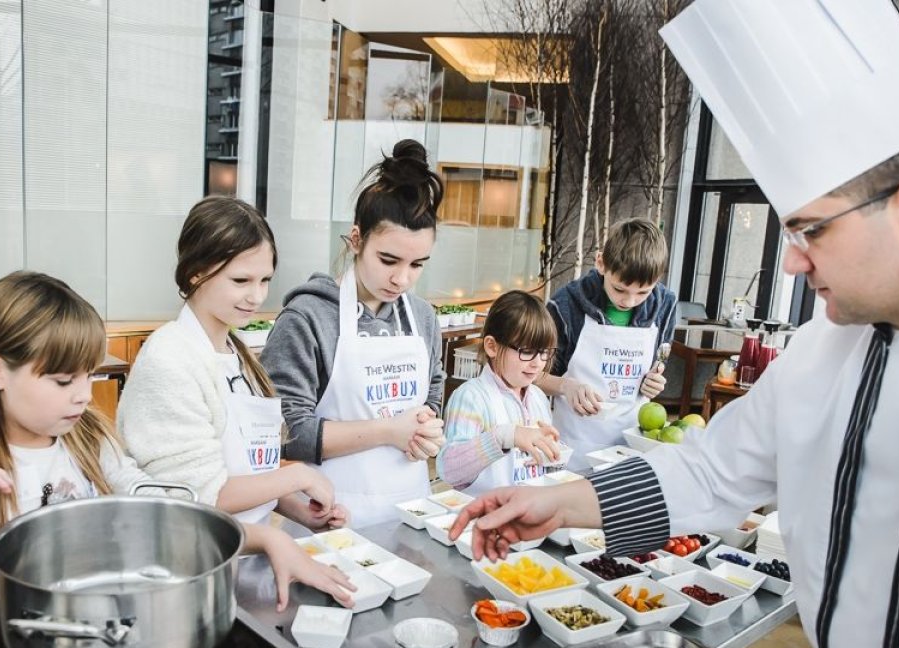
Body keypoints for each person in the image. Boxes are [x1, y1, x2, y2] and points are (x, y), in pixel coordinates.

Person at [450, 0, 899, 648]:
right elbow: (708, 475)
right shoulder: (819, 354)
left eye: (812, 230)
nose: (791, 263)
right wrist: (562, 503)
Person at [0, 272, 348, 619]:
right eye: (63, 382)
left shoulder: (86, 440)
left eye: (89, 377)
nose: (84, 397)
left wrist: (265, 539)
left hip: (88, 636)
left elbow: (164, 513)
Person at [117, 197, 351, 541]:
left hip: (247, 548)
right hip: (192, 559)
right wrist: (297, 476)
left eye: (265, 280)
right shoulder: (169, 360)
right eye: (241, 281)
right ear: (196, 273)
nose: (256, 296)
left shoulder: (236, 352)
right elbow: (199, 494)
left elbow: (250, 470)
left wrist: (300, 511)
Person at [261, 140, 447, 527]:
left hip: (413, 513)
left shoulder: (424, 318)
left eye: (418, 265)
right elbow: (284, 433)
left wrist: (426, 431)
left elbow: (432, 394)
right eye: (388, 260)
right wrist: (388, 431)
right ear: (357, 239)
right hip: (329, 517)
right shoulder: (307, 318)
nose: (402, 278)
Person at [537, 218, 677, 471]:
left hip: (633, 447)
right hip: (574, 448)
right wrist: (566, 386)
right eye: (620, 289)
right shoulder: (565, 305)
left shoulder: (665, 305)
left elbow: (659, 362)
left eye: (643, 292)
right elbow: (532, 377)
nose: (630, 301)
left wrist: (654, 381)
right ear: (601, 263)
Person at [435, 290, 561, 493]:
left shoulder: (537, 397)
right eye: (526, 351)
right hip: (483, 517)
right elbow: (449, 470)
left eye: (545, 352)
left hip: (529, 514)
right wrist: (503, 437)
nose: (538, 363)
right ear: (492, 346)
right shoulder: (471, 397)